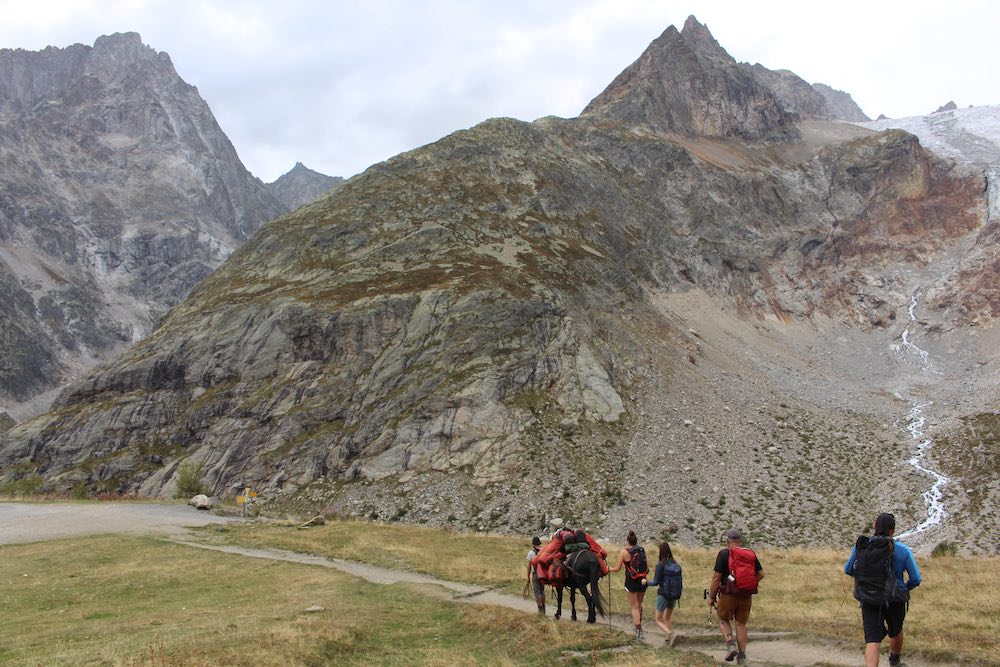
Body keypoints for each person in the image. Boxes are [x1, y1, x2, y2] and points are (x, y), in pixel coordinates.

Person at [844, 513, 922, 667]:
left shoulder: (862, 546)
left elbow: (848, 569)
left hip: (868, 598)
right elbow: (916, 579)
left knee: (872, 640)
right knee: (896, 630)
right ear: (892, 530)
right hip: (894, 599)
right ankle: (895, 661)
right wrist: (904, 589)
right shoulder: (902, 550)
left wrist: (865, 580)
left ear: (874, 526)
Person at [707, 528, 763, 665]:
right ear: (740, 541)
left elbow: (716, 578)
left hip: (728, 594)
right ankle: (742, 656)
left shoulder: (724, 554)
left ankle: (731, 645)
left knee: (723, 619)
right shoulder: (749, 554)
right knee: (741, 624)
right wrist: (747, 584)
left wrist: (711, 597)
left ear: (727, 541)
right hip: (746, 595)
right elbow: (761, 574)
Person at [609, 529, 648, 639]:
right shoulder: (641, 550)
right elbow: (647, 566)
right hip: (642, 580)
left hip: (631, 581)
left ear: (627, 541)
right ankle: (639, 627)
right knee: (639, 605)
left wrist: (609, 569)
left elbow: (617, 568)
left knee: (634, 607)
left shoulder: (624, 552)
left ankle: (638, 631)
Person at [646, 541, 681, 645]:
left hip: (663, 594)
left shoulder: (660, 564)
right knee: (667, 618)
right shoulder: (675, 564)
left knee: (658, 619)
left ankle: (670, 633)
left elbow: (656, 582)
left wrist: (646, 582)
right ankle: (668, 639)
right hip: (674, 594)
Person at [526, 536, 546, 615]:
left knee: (537, 592)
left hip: (535, 574)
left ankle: (540, 609)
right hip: (543, 574)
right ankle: (544, 608)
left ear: (533, 544)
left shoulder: (531, 553)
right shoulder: (544, 551)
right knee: (542, 591)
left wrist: (528, 577)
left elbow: (529, 566)